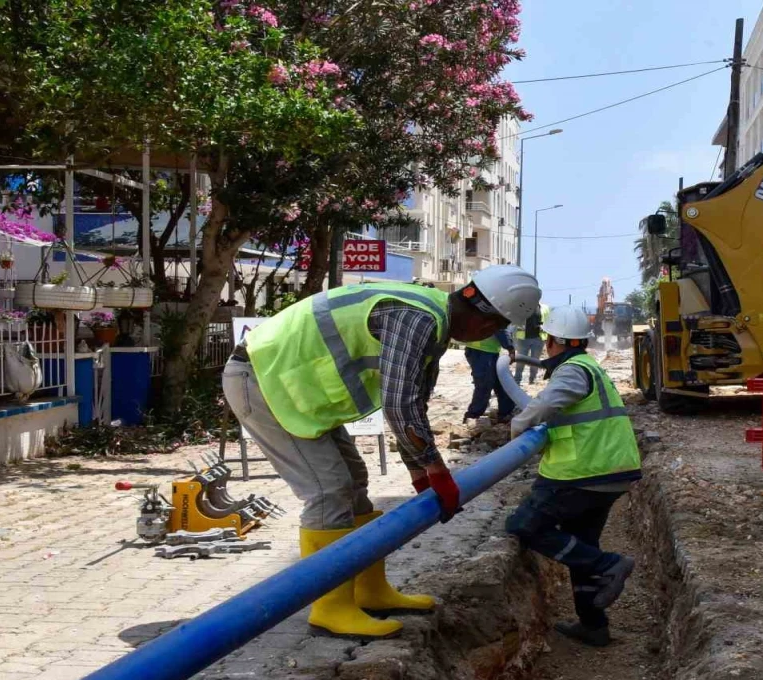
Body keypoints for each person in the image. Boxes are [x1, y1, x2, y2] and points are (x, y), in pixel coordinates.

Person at [222, 265, 541, 641]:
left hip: (293, 389)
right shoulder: (417, 318)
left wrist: (418, 471)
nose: (489, 335)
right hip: (262, 381)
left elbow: (414, 402)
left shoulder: (433, 317)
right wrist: (435, 470)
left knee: (353, 481)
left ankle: (368, 590)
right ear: (487, 322)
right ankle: (330, 607)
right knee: (328, 490)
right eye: (494, 327)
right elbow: (399, 405)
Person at [505, 305, 640, 648]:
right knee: (580, 543)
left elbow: (546, 405)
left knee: (525, 525)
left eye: (549, 340)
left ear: (554, 341)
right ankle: (593, 625)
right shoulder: (589, 365)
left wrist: (517, 428)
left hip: (581, 472)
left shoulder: (572, 370)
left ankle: (610, 564)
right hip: (608, 469)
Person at [463, 325, 517, 424]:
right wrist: (510, 348)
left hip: (486, 351)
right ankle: (473, 416)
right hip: (482, 351)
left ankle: (506, 413)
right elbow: (500, 328)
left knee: (501, 382)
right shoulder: (497, 310)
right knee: (485, 384)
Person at [513, 305, 548, 385]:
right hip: (523, 338)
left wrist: (544, 327)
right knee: (520, 360)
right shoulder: (522, 305)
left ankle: (532, 380)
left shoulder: (545, 308)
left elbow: (549, 321)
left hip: (538, 338)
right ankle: (517, 380)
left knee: (535, 360)